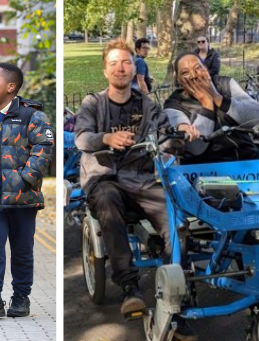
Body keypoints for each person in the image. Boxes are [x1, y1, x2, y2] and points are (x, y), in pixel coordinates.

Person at [74, 39, 197, 340]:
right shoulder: (93, 103)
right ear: (105, 70)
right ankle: (131, 287)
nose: (121, 67)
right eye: (114, 62)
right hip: (105, 178)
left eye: (126, 62)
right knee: (106, 201)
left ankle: (178, 296)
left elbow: (166, 139)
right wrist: (106, 139)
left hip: (142, 178)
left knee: (176, 218)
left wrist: (178, 137)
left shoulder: (149, 106)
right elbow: (81, 138)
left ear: (134, 67)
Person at [164, 53, 259, 291]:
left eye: (197, 68)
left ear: (206, 68)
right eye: (185, 73)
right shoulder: (174, 105)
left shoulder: (226, 84)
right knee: (240, 212)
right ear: (178, 80)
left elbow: (254, 116)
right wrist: (205, 106)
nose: (193, 74)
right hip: (208, 172)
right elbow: (195, 145)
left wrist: (216, 98)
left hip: (249, 166)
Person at [0, 63, 54, 320]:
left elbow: (44, 147)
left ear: (10, 87)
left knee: (21, 248)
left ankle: (21, 296)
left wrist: (24, 179)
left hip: (22, 194)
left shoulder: (33, 115)